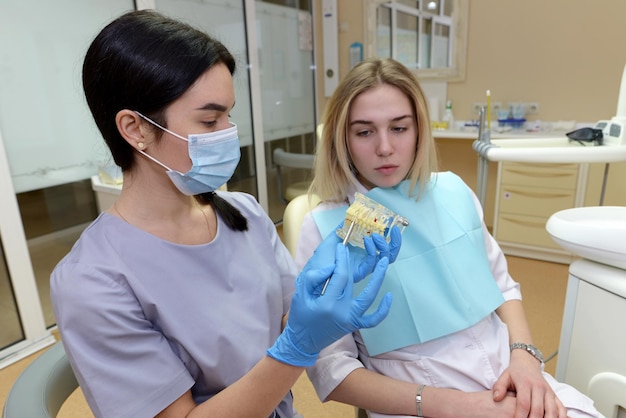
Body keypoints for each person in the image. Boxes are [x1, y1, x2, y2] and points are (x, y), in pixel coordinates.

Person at [50, 11, 401, 418]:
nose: (229, 133)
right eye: (210, 119)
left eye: (229, 116)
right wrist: (296, 348)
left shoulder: (244, 214)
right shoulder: (92, 281)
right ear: (135, 129)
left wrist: (328, 288)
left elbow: (294, 318)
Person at [295, 58, 602, 418]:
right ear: (342, 139)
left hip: (510, 379)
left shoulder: (454, 192)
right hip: (424, 401)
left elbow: (502, 287)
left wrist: (524, 356)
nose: (384, 148)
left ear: (419, 130)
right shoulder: (325, 229)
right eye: (364, 132)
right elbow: (333, 372)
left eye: (399, 128)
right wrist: (460, 406)